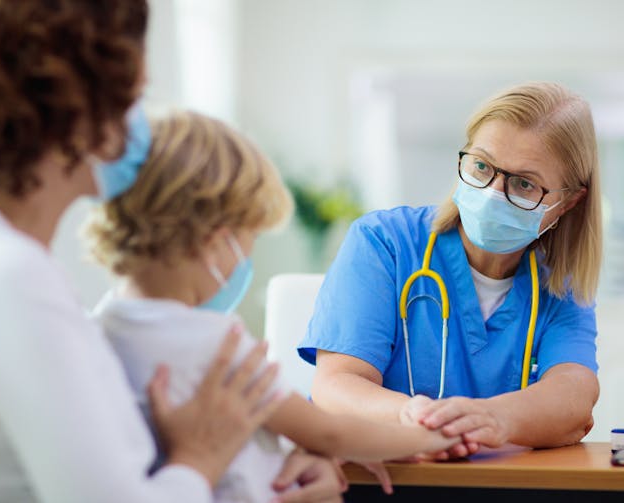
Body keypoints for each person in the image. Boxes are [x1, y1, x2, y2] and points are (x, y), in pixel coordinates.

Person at [0, 1, 344, 502]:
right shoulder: (11, 277)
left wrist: (269, 465)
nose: (140, 118)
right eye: (135, 91)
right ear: (84, 101)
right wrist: (201, 459)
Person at [84, 109, 461, 503]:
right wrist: (428, 435)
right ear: (216, 241)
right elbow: (328, 432)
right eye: (251, 239)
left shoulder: (99, 330)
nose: (247, 256)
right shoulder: (215, 345)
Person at [298, 81, 603, 459]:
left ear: (567, 202)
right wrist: (411, 417)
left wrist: (489, 418)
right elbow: (337, 384)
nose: (492, 192)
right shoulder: (385, 243)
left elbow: (573, 398)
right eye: (481, 165)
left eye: (524, 184)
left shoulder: (560, 285)